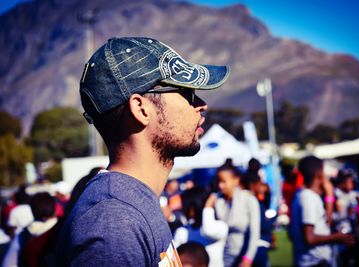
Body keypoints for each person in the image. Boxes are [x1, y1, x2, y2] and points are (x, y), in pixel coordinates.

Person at [56, 37, 230, 266]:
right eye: (187, 91)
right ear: (141, 109)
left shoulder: (129, 205)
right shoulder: (114, 224)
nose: (201, 104)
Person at [289, 156, 354, 267]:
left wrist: (329, 195)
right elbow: (309, 238)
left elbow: (326, 222)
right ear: (318, 173)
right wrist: (338, 237)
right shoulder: (308, 198)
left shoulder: (305, 195)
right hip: (313, 262)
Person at [215, 164, 260, 267]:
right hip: (221, 258)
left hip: (243, 258)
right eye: (219, 181)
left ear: (236, 180)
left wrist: (247, 259)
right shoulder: (218, 201)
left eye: (224, 181)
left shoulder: (249, 200)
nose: (220, 185)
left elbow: (254, 234)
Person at [2, 192, 57, 267]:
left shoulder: (23, 235)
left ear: (32, 209)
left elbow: (8, 264)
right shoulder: (62, 227)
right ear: (55, 208)